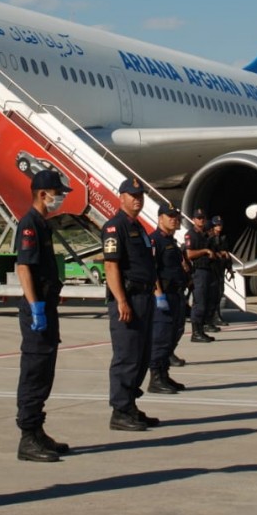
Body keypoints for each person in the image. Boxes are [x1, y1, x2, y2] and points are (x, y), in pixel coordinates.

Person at [13, 168, 73, 462]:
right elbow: (23, 266)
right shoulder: (29, 224)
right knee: (35, 371)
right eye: (57, 193)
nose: (59, 198)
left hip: (47, 304)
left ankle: (37, 430)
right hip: (37, 308)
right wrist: (35, 305)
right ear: (42, 194)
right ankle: (27, 436)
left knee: (45, 369)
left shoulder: (42, 224)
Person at [102, 177, 161, 431]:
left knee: (142, 355)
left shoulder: (139, 228)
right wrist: (121, 301)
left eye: (140, 196)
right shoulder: (115, 227)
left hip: (144, 298)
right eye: (133, 195)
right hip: (129, 299)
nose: (138, 199)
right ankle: (120, 411)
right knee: (126, 356)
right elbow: (111, 265)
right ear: (121, 197)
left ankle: (130, 405)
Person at [147, 204, 188, 394]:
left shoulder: (171, 241)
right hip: (164, 295)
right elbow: (152, 270)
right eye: (170, 216)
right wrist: (158, 295)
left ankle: (164, 374)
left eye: (176, 216)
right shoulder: (155, 241)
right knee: (161, 337)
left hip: (176, 295)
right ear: (160, 218)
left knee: (173, 334)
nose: (174, 219)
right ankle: (155, 378)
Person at [184, 209, 215, 343]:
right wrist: (205, 250)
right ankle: (195, 333)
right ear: (193, 219)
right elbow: (189, 254)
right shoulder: (191, 235)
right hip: (198, 271)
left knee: (207, 301)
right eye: (198, 218)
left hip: (208, 270)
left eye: (203, 217)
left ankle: (201, 330)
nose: (201, 220)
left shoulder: (205, 235)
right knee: (199, 303)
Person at [206, 216, 233, 331]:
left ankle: (216, 315)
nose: (219, 227)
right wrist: (219, 253)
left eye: (220, 225)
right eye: (217, 225)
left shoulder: (223, 238)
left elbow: (227, 254)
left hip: (221, 268)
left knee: (220, 292)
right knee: (213, 294)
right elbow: (208, 252)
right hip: (212, 269)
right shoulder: (209, 238)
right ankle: (213, 317)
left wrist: (230, 268)